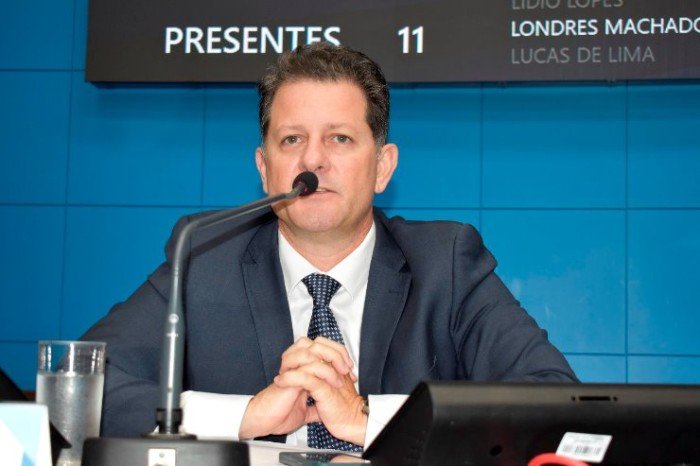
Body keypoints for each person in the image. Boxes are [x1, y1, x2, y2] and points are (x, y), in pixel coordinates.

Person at [82, 42, 576, 450]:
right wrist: (246, 415)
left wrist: (365, 418)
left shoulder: (445, 263)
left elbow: (555, 400)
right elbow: (82, 383)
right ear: (264, 169)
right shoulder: (206, 257)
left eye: (339, 138)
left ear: (382, 167)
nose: (312, 161)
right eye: (292, 140)